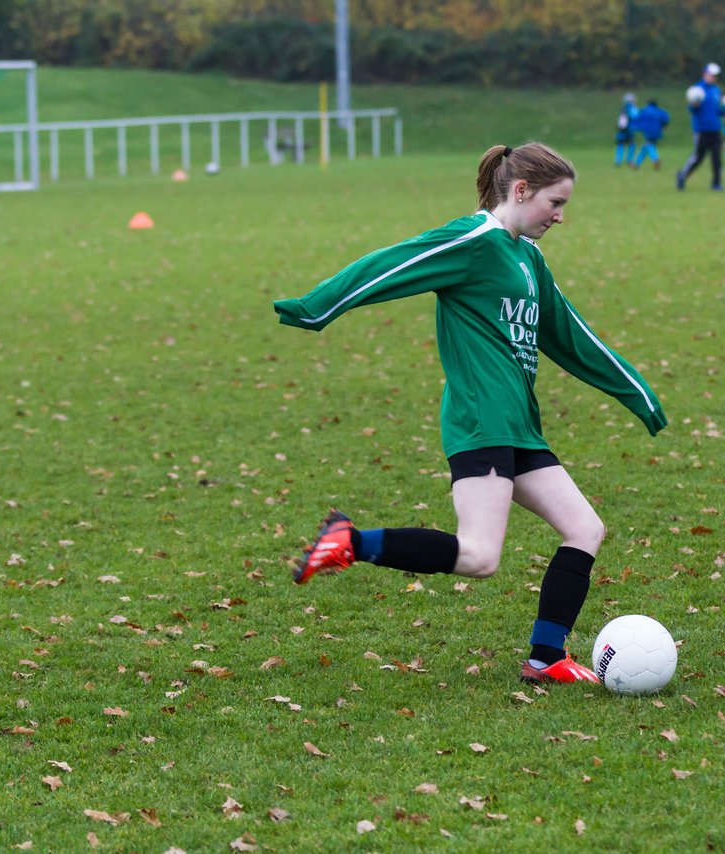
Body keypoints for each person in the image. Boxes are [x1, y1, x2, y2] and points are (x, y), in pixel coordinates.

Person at [275, 142, 668, 683]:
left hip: (520, 426)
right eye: (554, 202)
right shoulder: (474, 241)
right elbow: (394, 264)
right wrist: (319, 306)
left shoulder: (528, 258)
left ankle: (546, 656)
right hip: (481, 421)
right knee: (480, 556)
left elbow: (569, 334)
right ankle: (350, 541)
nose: (560, 216)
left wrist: (635, 393)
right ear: (521, 190)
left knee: (584, 527)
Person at [676, 62, 725, 191]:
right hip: (701, 130)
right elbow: (692, 109)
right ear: (705, 74)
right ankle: (683, 175)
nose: (714, 78)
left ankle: (716, 183)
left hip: (715, 129)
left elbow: (717, 110)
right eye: (712, 75)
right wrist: (694, 105)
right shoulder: (697, 89)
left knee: (717, 158)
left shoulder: (716, 90)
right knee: (698, 158)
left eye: (716, 75)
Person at [631, 98, 670, 170]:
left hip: (648, 132)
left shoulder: (645, 110)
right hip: (657, 132)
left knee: (649, 145)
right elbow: (666, 117)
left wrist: (634, 126)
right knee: (645, 147)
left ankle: (655, 159)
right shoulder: (659, 111)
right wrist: (664, 125)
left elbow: (637, 117)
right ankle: (636, 164)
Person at [614, 93, 639, 167]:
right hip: (629, 130)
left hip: (621, 130)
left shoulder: (623, 108)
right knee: (632, 144)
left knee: (620, 145)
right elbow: (636, 117)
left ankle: (618, 161)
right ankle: (629, 160)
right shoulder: (632, 108)